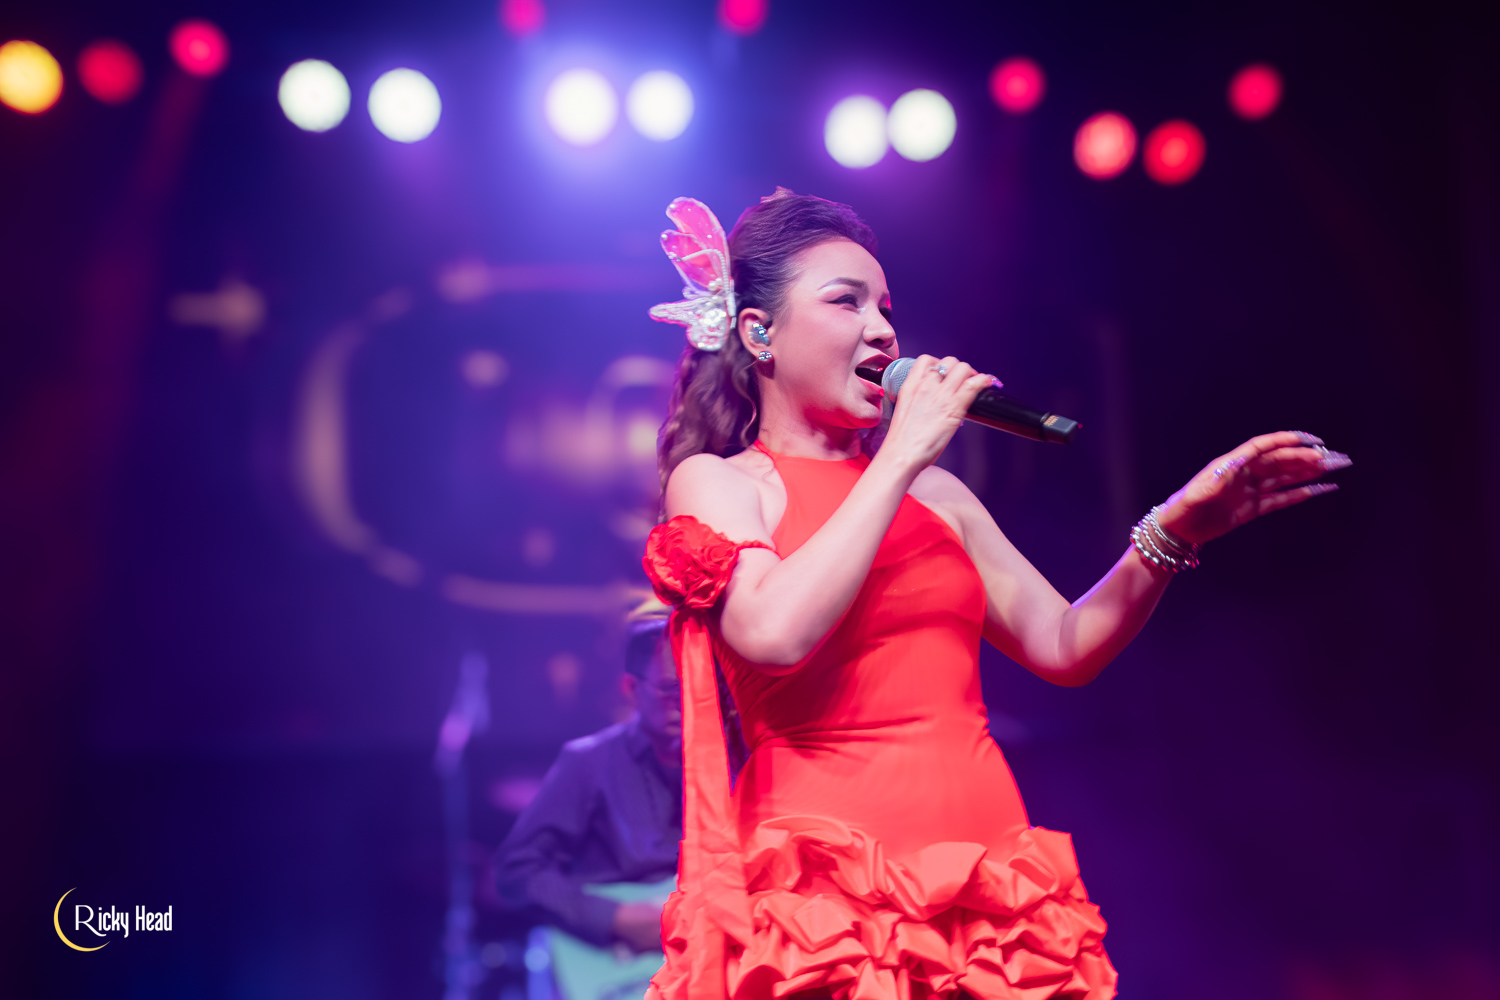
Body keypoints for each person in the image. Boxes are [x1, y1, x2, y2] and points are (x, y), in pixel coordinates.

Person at [639, 191, 1350, 1000]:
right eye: (846, 301)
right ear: (759, 333)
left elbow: (1065, 646)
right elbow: (772, 633)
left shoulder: (938, 497)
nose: (882, 330)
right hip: (821, 890)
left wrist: (1172, 530)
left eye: (886, 308)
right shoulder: (721, 483)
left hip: (984, 877)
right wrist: (900, 458)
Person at [493, 611, 683, 959]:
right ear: (631, 689)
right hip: (622, 965)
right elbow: (515, 870)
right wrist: (612, 918)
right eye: (670, 688)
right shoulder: (589, 762)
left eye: (697, 686)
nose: (686, 701)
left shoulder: (730, 760)